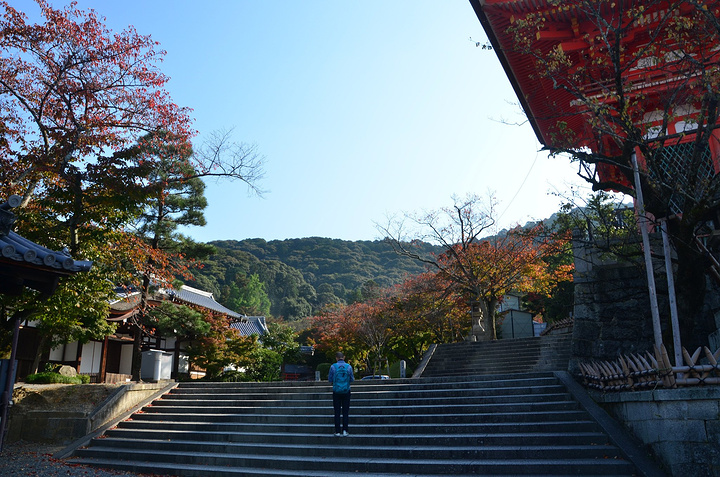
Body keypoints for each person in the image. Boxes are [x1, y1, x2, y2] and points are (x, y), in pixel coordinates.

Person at [328, 351, 354, 436]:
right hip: (346, 391)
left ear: (336, 358)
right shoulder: (348, 367)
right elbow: (352, 379)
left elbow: (330, 380)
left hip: (336, 391)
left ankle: (337, 431)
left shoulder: (333, 367)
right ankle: (345, 431)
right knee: (345, 412)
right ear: (344, 357)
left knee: (337, 412)